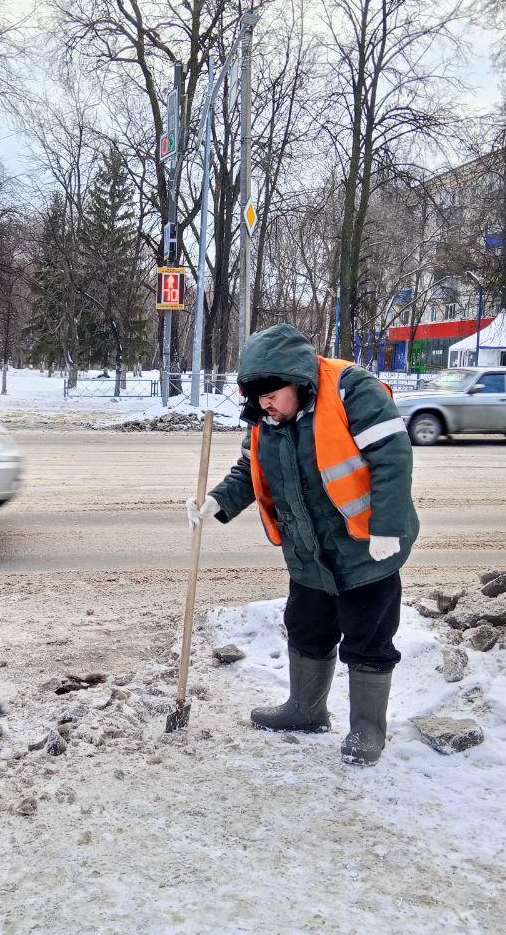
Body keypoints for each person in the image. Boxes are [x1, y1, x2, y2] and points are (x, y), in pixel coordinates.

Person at [186, 324, 418, 766]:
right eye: (256, 398)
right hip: (308, 551)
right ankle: (305, 709)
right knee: (307, 627)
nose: (263, 405)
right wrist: (218, 501)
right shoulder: (267, 418)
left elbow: (392, 457)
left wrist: (386, 527)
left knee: (369, 636)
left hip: (367, 548)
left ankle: (368, 730)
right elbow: (249, 468)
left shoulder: (353, 391)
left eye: (271, 395)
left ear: (299, 381)